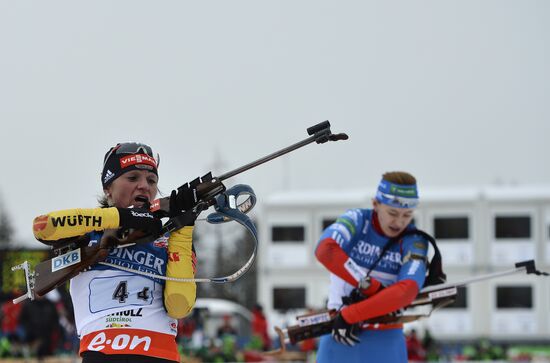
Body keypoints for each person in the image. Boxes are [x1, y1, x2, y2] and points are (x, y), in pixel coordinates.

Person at [32, 142, 199, 362]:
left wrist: (184, 229)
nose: (144, 186)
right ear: (107, 188)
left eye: (151, 180)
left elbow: (179, 306)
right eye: (132, 178)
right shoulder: (87, 231)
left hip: (160, 354)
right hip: (102, 352)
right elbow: (43, 226)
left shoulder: (168, 240)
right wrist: (121, 217)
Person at [315, 171, 430, 363]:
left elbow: (406, 291)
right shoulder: (357, 220)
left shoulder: (414, 239)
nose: (399, 222)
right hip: (340, 335)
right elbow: (325, 250)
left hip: (384, 339)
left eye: (407, 215)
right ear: (375, 204)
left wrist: (351, 315)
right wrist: (371, 286)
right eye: (393, 213)